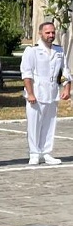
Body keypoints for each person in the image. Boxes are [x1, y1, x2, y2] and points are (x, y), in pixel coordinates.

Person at [20, 22, 69, 165]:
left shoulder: (59, 50)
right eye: (47, 33)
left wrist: (66, 88)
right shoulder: (32, 50)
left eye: (53, 32)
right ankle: (34, 153)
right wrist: (30, 93)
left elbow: (65, 71)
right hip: (37, 92)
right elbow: (27, 74)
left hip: (52, 93)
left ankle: (46, 152)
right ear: (40, 33)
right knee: (34, 125)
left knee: (49, 124)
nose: (51, 35)